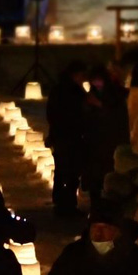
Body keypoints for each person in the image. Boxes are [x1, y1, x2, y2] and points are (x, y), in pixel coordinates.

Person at [47, 63, 90, 216]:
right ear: (75, 75)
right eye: (82, 75)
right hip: (71, 138)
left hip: (59, 137)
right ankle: (68, 205)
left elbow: (50, 114)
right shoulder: (75, 92)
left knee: (61, 171)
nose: (83, 78)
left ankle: (60, 203)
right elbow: (81, 114)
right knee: (71, 172)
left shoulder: (57, 90)